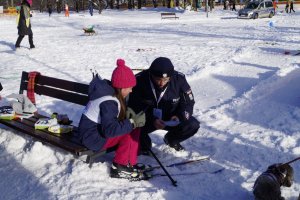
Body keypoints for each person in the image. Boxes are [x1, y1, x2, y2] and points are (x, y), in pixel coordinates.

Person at [75, 59, 148, 181]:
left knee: (131, 126)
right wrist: (132, 122)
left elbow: (109, 120)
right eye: (129, 87)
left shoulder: (108, 91)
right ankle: (121, 166)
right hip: (91, 139)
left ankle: (128, 162)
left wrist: (126, 118)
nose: (131, 90)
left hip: (88, 133)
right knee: (131, 130)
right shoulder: (109, 101)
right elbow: (109, 130)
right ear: (121, 87)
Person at [128, 57, 200, 154]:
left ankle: (171, 140)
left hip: (170, 118)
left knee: (192, 124)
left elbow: (188, 102)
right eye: (158, 79)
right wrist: (152, 119)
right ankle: (144, 145)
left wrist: (179, 116)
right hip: (147, 118)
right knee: (133, 128)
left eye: (166, 79)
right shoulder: (139, 80)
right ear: (151, 74)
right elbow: (133, 106)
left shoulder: (179, 79)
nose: (162, 83)